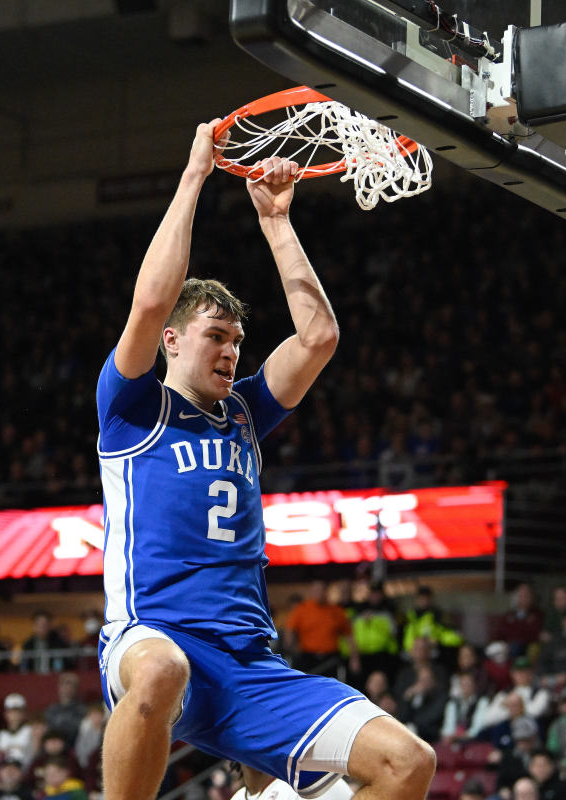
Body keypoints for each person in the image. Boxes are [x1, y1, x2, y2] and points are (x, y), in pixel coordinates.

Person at [94, 126, 434, 800]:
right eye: (214, 336)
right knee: (162, 673)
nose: (229, 351)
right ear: (171, 342)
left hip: (251, 664)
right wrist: (193, 176)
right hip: (154, 637)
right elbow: (152, 299)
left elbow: (320, 336)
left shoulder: (247, 410)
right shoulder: (133, 406)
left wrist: (276, 223)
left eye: (236, 340)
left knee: (408, 763)